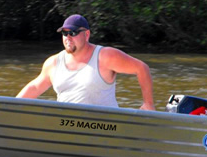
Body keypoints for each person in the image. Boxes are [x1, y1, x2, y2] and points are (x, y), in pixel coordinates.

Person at [16, 14, 155, 110]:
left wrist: (148, 104)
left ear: (87, 34)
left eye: (73, 33)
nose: (68, 37)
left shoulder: (105, 56)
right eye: (65, 33)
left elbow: (141, 68)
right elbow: (34, 87)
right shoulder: (53, 63)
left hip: (104, 126)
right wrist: (10, 107)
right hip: (66, 125)